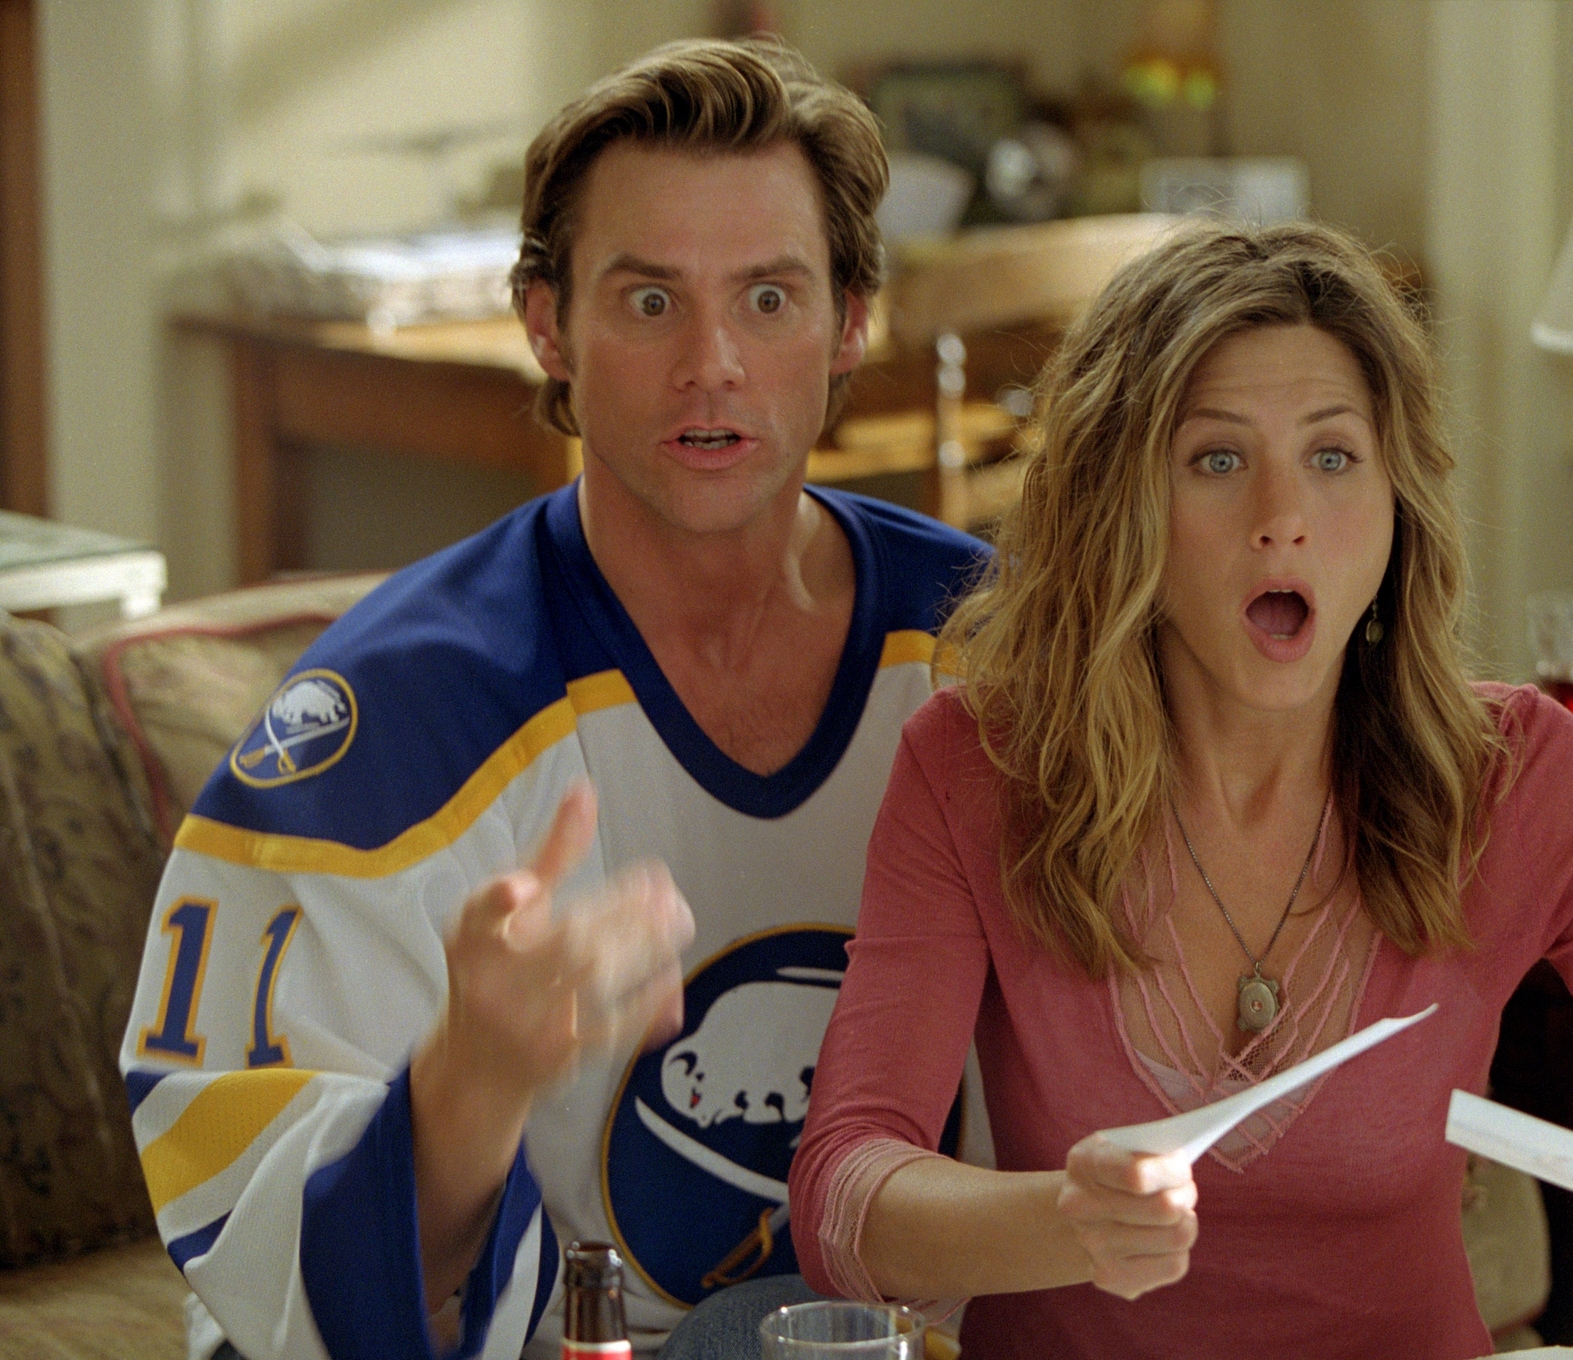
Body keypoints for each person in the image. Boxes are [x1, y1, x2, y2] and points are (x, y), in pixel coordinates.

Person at [788, 221, 1573, 1358]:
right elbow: (843, 1193)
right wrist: (1062, 1220)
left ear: (1395, 501)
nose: (1284, 515)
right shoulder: (974, 765)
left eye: (1331, 457)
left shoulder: (1517, 778)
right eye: (1217, 460)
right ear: (1121, 508)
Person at [120, 38, 987, 1360]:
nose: (712, 362)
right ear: (547, 327)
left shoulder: (997, 657)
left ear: (851, 321)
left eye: (768, 298)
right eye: (648, 301)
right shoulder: (391, 723)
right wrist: (467, 1085)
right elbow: (282, 1298)